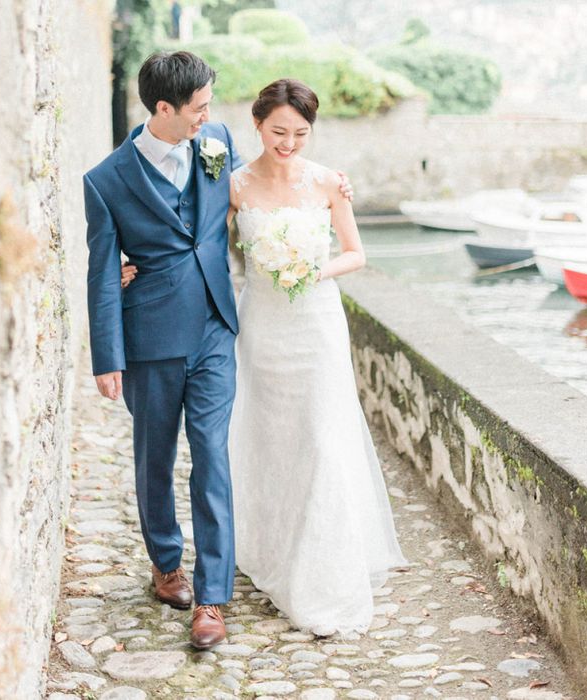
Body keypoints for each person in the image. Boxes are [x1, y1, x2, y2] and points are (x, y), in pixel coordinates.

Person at [85, 52, 353, 650]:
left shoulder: (218, 142)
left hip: (214, 328)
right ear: (163, 110)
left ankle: (212, 598)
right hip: (149, 337)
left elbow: (265, 182)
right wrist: (107, 356)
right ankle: (166, 564)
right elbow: (100, 272)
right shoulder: (105, 181)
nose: (210, 115)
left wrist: (326, 183)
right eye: (199, 107)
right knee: (155, 459)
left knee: (213, 456)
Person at [123, 78, 406, 636]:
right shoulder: (232, 184)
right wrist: (136, 264)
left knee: (323, 440)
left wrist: (312, 269)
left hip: (318, 324)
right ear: (256, 126)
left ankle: (323, 570)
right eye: (279, 131)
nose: (289, 142)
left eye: (301, 133)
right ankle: (267, 547)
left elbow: (355, 254)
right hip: (260, 326)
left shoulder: (328, 182)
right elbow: (193, 240)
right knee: (266, 438)